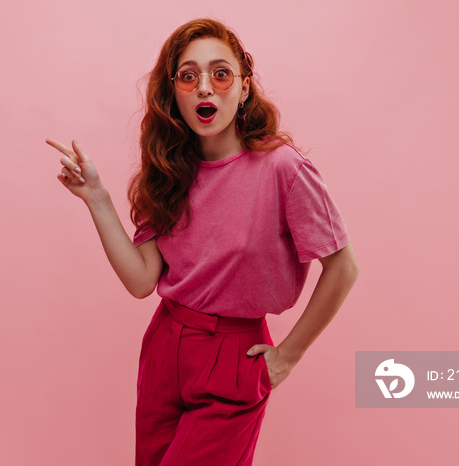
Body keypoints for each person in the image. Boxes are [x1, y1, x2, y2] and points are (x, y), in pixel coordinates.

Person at [46, 17, 359, 466]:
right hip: (165, 346)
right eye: (188, 76)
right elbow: (141, 280)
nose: (205, 87)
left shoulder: (282, 168)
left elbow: (344, 267)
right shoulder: (169, 171)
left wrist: (287, 357)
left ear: (244, 87)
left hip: (234, 355)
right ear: (174, 93)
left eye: (220, 73)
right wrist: (96, 197)